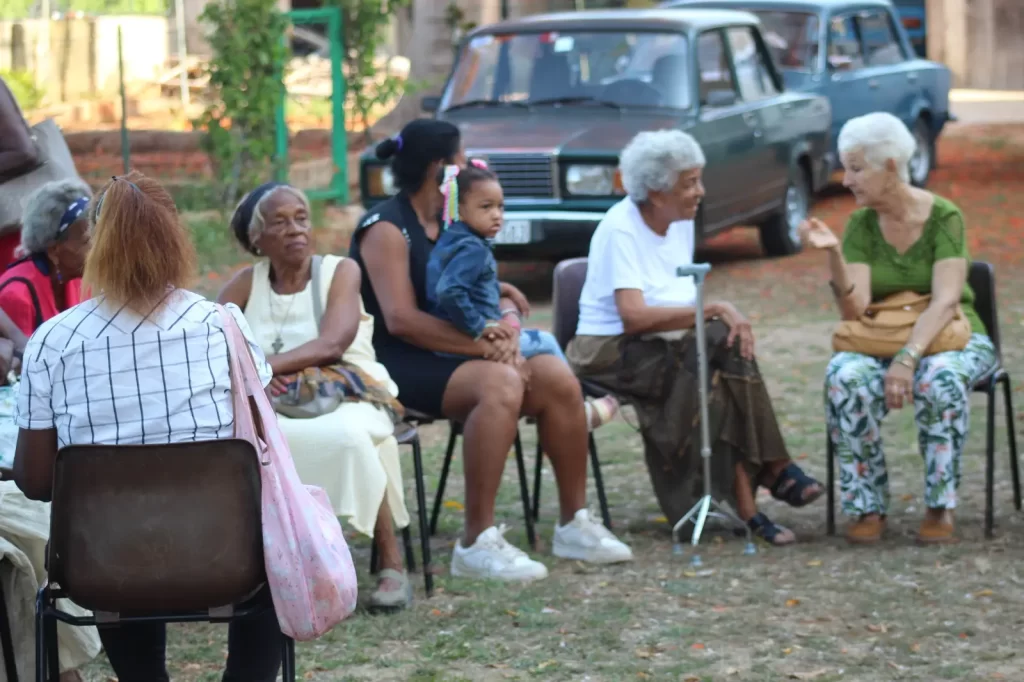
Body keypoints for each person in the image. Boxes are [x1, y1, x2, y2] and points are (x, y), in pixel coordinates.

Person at [13, 171, 285, 681]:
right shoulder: (222, 326)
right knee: (277, 561)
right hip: (227, 557)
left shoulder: (53, 341)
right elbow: (263, 444)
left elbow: (35, 481)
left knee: (119, 533)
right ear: (174, 237)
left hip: (102, 567)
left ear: (95, 244)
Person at [348, 119, 634, 582]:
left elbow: (453, 283)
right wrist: (485, 347)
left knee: (556, 378)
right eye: (462, 159)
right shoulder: (386, 227)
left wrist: (499, 299)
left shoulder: (452, 219)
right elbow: (401, 318)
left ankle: (573, 522)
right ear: (441, 167)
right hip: (401, 362)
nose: (469, 166)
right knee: (501, 383)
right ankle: (475, 543)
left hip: (458, 349)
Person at [567, 129, 824, 546]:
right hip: (607, 351)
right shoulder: (621, 229)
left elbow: (680, 301)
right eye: (689, 183)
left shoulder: (679, 222)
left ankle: (752, 501)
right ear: (655, 190)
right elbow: (632, 317)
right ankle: (768, 482)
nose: (700, 192)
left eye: (698, 180)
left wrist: (710, 316)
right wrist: (714, 308)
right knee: (716, 363)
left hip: (666, 342)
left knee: (721, 358)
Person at [218, 181, 413, 612]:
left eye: (301, 218)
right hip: (274, 404)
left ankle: (391, 563)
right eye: (280, 222)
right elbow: (213, 347)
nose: (295, 230)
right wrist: (257, 379)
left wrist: (261, 368)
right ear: (257, 237)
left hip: (348, 394)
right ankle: (258, 565)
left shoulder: (339, 271)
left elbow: (333, 344)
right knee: (243, 445)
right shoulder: (244, 285)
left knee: (352, 436)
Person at [803, 112, 996, 545]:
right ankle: (867, 506)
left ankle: (940, 506)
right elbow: (855, 311)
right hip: (882, 337)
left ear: (890, 165)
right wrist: (834, 254)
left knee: (940, 378)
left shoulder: (945, 216)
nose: (846, 179)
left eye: (856, 168)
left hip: (953, 335)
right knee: (846, 376)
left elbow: (946, 301)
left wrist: (907, 359)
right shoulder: (861, 225)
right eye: (845, 167)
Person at [426, 160, 619, 430]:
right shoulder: (473, 249)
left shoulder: (450, 240)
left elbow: (461, 283)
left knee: (531, 351)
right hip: (467, 343)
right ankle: (577, 409)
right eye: (486, 207)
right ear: (459, 209)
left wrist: (500, 288)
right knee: (546, 341)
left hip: (447, 341)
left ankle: (553, 404)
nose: (497, 215)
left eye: (500, 207)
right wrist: (480, 326)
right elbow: (449, 290)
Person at [0, 178, 89, 335]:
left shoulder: (80, 281)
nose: (97, 248)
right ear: (54, 250)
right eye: (87, 241)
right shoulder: (16, 295)